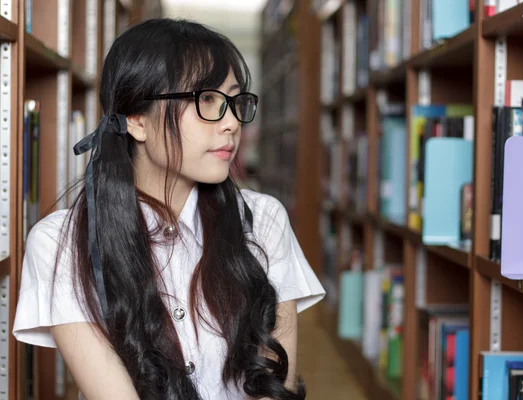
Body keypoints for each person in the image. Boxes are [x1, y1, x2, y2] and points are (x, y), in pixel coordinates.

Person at [12, 18, 325, 400]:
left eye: (234, 100)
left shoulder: (264, 221)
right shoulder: (60, 243)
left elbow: (276, 386)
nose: (230, 123)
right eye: (206, 100)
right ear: (137, 120)